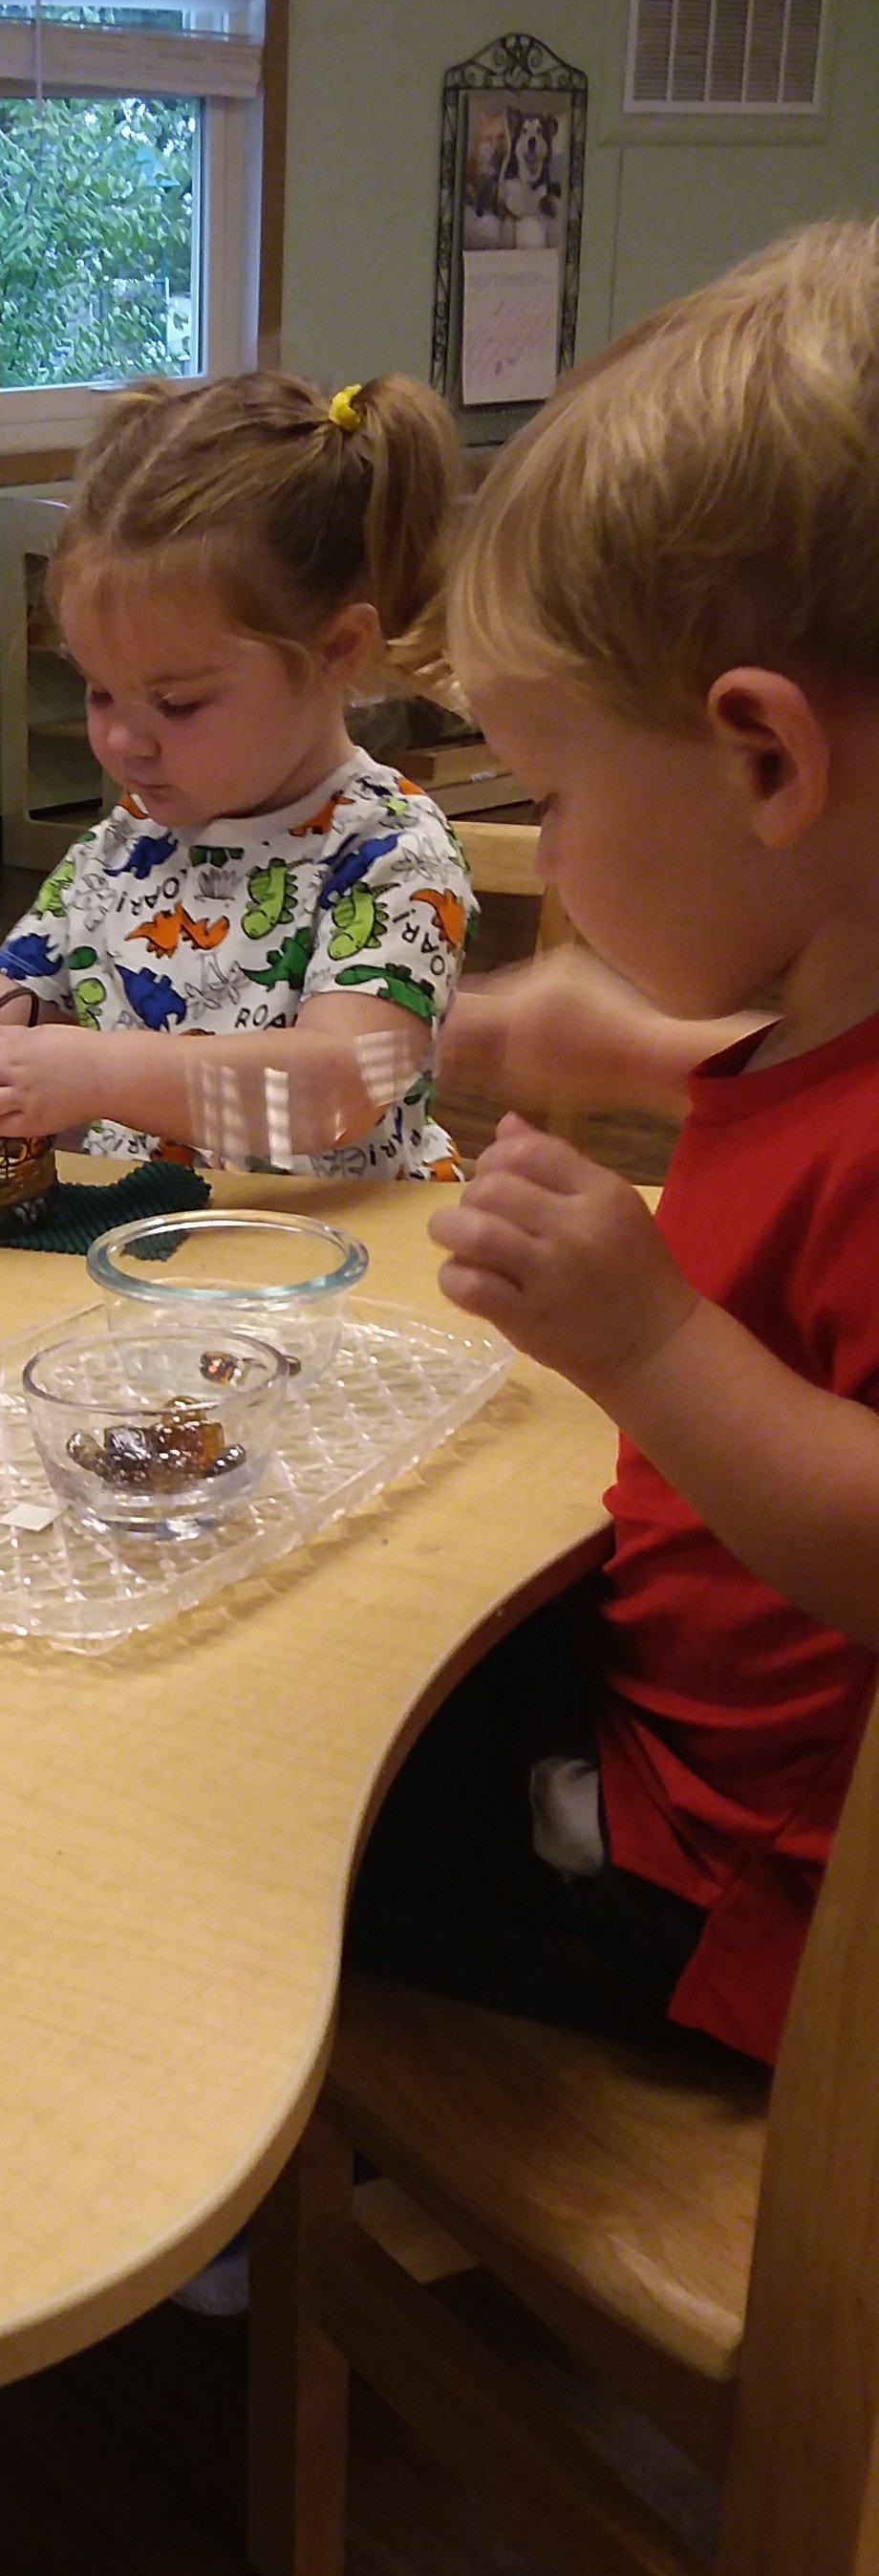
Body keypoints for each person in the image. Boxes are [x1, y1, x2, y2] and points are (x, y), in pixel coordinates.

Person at [348, 219, 879, 2069]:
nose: (552, 856)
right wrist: (638, 1040)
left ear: (765, 760)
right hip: (653, 1714)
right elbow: (807, 1087)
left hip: (707, 1883)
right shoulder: (825, 1009)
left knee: (248, 1818)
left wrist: (647, 1338)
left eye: (558, 796)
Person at [0, 371, 474, 1198]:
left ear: (336, 651)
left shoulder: (392, 853)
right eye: (99, 691)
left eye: (177, 704)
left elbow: (334, 1093)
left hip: (345, 1255)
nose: (120, 741)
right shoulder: (123, 846)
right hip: (156, 1248)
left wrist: (102, 1073)